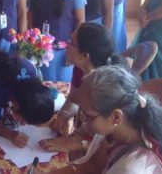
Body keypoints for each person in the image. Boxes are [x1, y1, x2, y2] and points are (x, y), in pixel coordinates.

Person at [37, 65, 162, 174]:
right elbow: (90, 167)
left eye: (88, 116)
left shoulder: (132, 168)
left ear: (116, 117)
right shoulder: (120, 128)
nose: (82, 121)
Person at [39, 22, 127, 153]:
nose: (66, 45)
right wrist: (64, 115)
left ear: (85, 56)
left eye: (71, 42)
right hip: (86, 132)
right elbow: (74, 98)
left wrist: (78, 144)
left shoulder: (108, 87)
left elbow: (113, 140)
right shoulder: (80, 69)